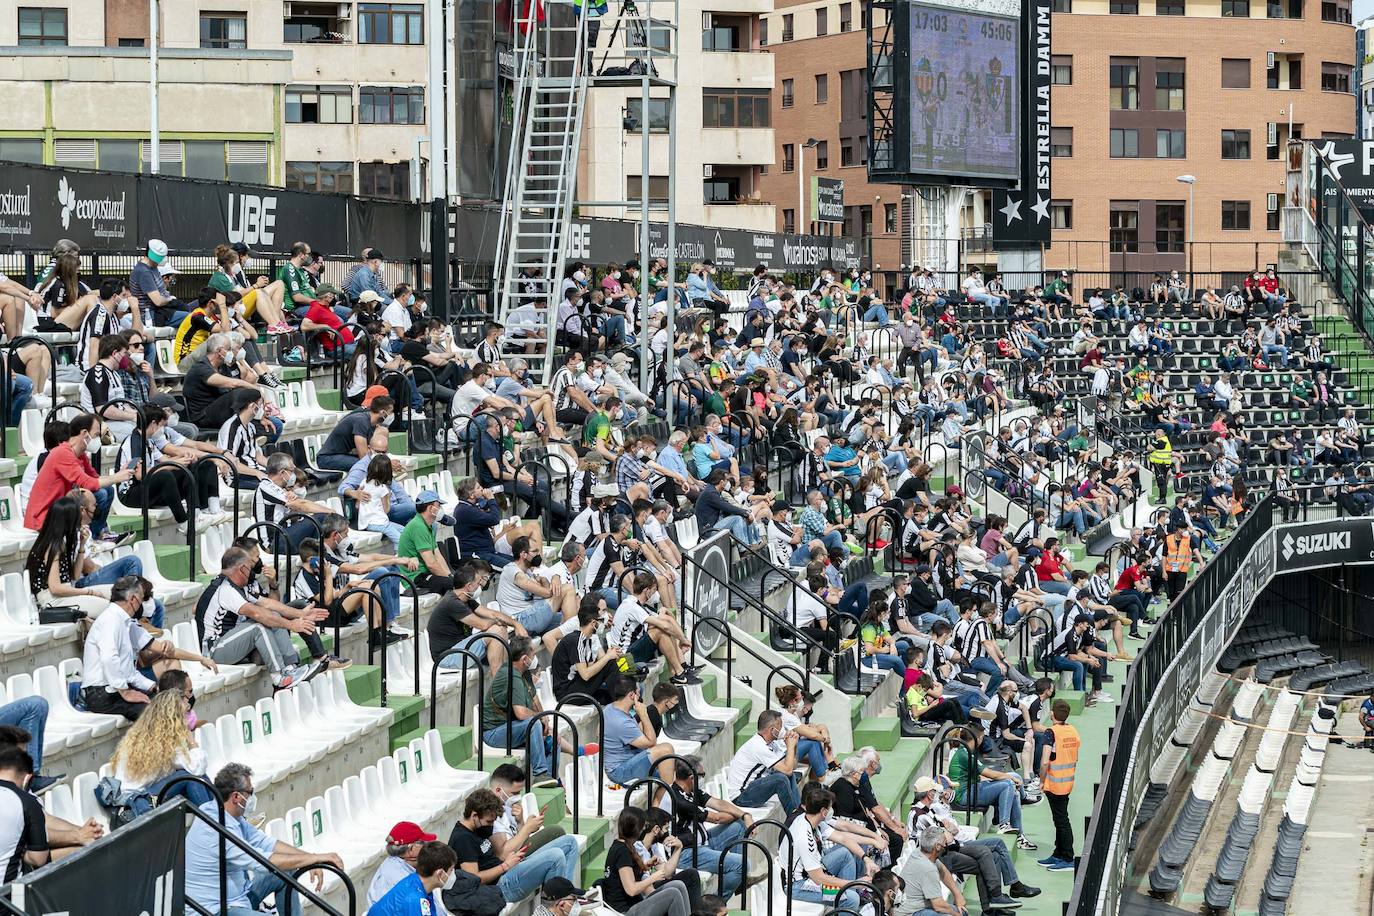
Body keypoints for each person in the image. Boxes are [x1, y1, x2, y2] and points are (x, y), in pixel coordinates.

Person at [184, 763, 345, 916]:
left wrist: (310, 857)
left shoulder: (224, 813)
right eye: (250, 792)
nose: (252, 796)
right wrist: (313, 859)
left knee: (285, 871)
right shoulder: (216, 829)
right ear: (236, 797)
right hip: (216, 910)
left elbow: (266, 843)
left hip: (238, 899)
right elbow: (262, 861)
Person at [199, 546, 327, 690]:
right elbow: (258, 614)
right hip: (215, 652)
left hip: (233, 644)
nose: (251, 572)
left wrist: (301, 614)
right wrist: (292, 625)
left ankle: (291, 668)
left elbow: (268, 603)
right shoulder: (225, 589)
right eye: (249, 567)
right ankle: (279, 678)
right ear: (242, 569)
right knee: (259, 626)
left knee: (273, 615)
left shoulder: (235, 586)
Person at [449, 788, 584, 904]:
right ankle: (556, 907)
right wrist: (504, 866)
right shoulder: (463, 839)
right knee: (555, 856)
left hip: (509, 869)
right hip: (500, 886)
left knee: (569, 842)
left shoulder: (477, 828)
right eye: (489, 822)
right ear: (474, 816)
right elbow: (473, 879)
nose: (491, 826)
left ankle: (565, 898)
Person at [23, 413, 132, 537]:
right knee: (100, 494)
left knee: (108, 490)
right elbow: (88, 484)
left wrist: (119, 474)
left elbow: (95, 479)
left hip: (63, 505)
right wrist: (117, 478)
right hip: (45, 515)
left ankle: (99, 533)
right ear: (85, 433)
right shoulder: (62, 453)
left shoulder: (80, 454)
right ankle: (92, 538)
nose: (98, 440)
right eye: (96, 435)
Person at [107, 688, 214, 811]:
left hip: (143, 795)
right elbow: (196, 767)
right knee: (189, 777)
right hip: (137, 801)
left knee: (195, 778)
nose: (186, 719)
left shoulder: (145, 736)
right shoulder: (164, 744)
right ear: (173, 718)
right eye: (183, 715)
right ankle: (217, 822)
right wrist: (191, 741)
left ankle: (219, 819)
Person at [659, 756, 750, 899]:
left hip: (702, 842)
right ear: (691, 777)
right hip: (687, 853)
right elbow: (717, 818)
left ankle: (739, 882)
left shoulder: (689, 790)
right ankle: (716, 904)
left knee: (738, 827)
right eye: (702, 775)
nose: (703, 778)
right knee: (742, 865)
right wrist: (739, 815)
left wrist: (745, 816)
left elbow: (718, 804)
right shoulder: (678, 799)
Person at [949, 724, 1035, 849]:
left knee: (1013, 776)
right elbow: (990, 774)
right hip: (964, 795)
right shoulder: (965, 753)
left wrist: (1011, 777)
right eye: (983, 737)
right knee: (1009, 784)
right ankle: (1004, 824)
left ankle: (1020, 832)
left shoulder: (966, 750)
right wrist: (1009, 778)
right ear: (977, 738)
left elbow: (982, 775)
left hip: (974, 787)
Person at [603, 807, 693, 916]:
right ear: (635, 828)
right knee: (673, 894)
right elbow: (631, 889)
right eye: (643, 826)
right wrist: (653, 878)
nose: (644, 830)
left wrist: (647, 865)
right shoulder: (622, 851)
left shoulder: (624, 846)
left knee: (678, 885)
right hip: (625, 911)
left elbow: (628, 872)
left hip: (636, 904)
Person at [783, 787, 860, 913]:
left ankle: (845, 903)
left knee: (844, 854)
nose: (831, 810)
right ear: (824, 811)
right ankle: (847, 899)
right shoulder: (804, 837)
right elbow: (818, 878)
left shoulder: (809, 819)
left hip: (811, 873)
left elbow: (843, 838)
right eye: (830, 807)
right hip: (798, 885)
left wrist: (865, 858)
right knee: (852, 898)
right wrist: (853, 883)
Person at [602, 676, 678, 793]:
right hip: (619, 772)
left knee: (669, 769)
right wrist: (644, 715)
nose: (640, 696)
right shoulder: (622, 722)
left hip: (624, 762)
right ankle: (668, 800)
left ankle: (665, 800)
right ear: (632, 695)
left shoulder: (609, 709)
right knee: (666, 750)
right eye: (638, 692)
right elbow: (650, 743)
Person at [725, 710, 799, 814]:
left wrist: (793, 746)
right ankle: (794, 818)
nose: (783, 729)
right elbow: (788, 770)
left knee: (786, 776)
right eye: (780, 726)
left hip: (753, 788)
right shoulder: (758, 746)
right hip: (741, 796)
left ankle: (798, 812)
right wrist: (790, 746)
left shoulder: (771, 744)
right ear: (772, 730)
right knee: (780, 778)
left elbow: (792, 767)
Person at [1037, 699, 1080, 871]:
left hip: (1055, 784)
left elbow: (1045, 762)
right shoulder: (1072, 730)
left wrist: (1041, 780)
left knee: (1061, 821)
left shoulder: (1051, 732)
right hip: (1067, 781)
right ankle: (1058, 853)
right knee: (1059, 819)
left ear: (1052, 714)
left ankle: (1068, 857)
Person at [368, 841, 458, 916]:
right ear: (440, 873)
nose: (452, 874)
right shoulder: (415, 900)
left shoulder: (418, 883)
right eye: (451, 870)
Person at [368, 822, 439, 907]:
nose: (426, 847)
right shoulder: (396, 878)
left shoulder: (400, 866)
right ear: (411, 849)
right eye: (422, 843)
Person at [397, 490, 453, 594]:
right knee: (455, 586)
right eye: (439, 505)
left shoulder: (430, 525)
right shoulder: (418, 527)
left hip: (426, 573)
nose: (441, 509)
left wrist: (449, 575)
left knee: (458, 582)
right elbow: (431, 564)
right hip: (416, 578)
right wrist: (451, 580)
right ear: (430, 508)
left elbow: (437, 555)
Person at [320, 396, 395, 472]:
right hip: (327, 458)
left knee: (377, 464)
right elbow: (364, 456)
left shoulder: (371, 425)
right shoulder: (361, 421)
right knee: (367, 465)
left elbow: (373, 453)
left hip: (341, 456)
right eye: (390, 412)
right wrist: (387, 464)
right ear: (382, 413)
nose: (391, 415)